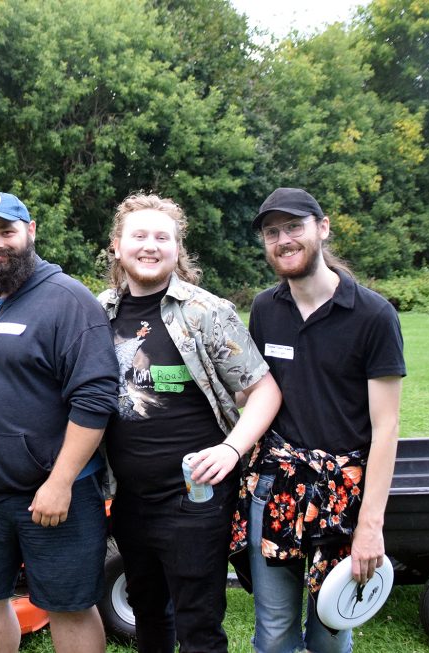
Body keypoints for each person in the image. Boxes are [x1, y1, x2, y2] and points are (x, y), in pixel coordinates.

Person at [97, 193, 282, 653]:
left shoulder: (205, 312)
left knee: (198, 625)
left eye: (163, 237)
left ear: (177, 249)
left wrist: (231, 448)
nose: (150, 246)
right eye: (138, 235)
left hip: (194, 499)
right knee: (148, 616)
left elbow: (264, 390)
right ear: (117, 246)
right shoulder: (99, 313)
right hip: (129, 499)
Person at [0, 191, 118, 653]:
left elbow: (95, 399)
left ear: (31, 232)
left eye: (7, 232)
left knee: (71, 605)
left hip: (55, 491)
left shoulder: (69, 300)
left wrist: (59, 482)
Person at [233, 187, 405, 653]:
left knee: (331, 629)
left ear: (322, 228)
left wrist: (371, 523)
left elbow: (386, 428)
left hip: (342, 498)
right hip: (274, 490)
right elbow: (255, 395)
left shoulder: (373, 315)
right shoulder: (266, 309)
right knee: (273, 631)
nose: (283, 239)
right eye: (272, 232)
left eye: (294, 227)